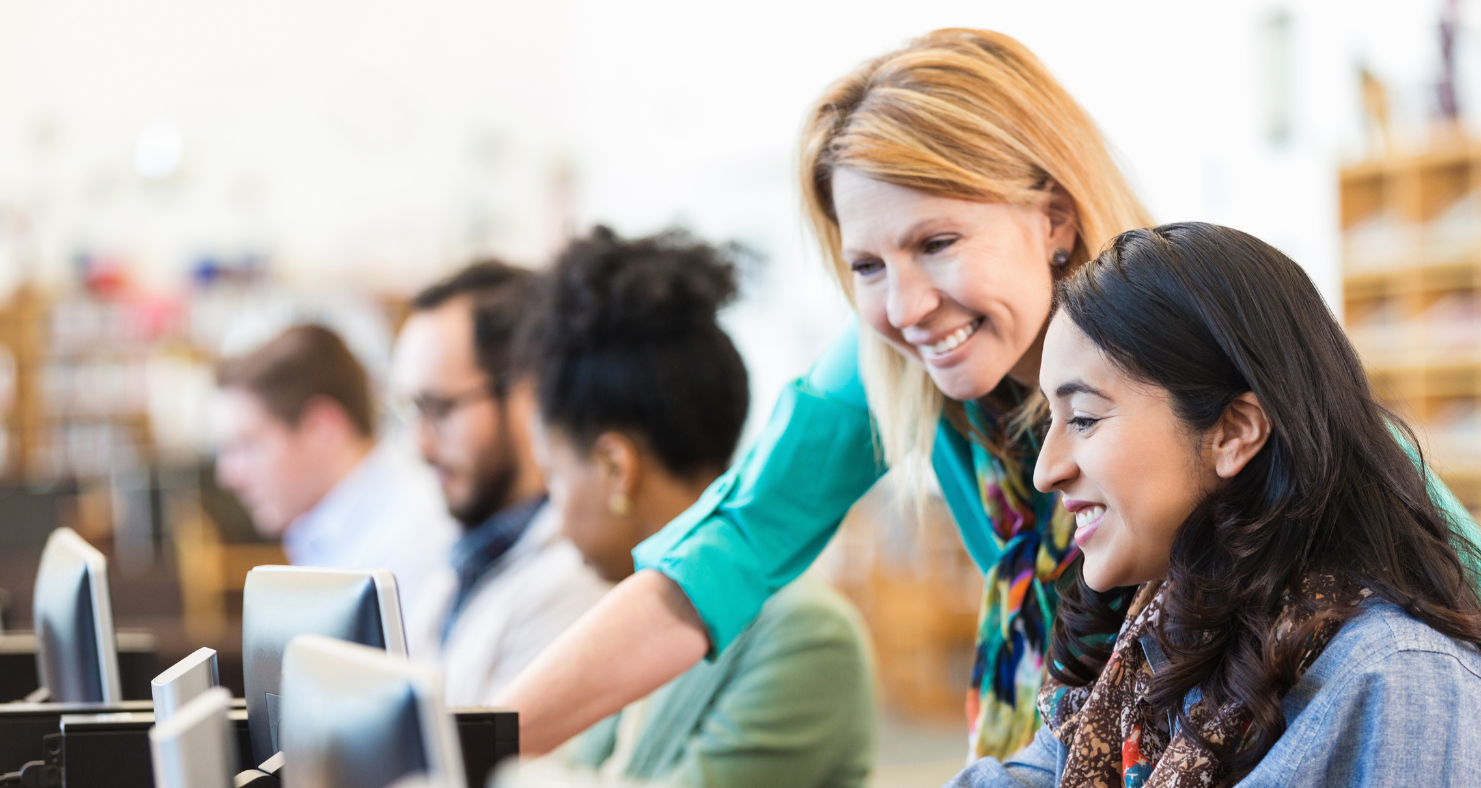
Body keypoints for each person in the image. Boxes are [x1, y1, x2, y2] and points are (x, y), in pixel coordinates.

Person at [495, 28, 1481, 760]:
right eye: (866, 264)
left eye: (937, 242)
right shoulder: (894, 366)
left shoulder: (1206, 353)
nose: (904, 303)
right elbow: (723, 553)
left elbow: (1424, 577)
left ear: (1052, 215)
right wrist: (473, 741)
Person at [949, 222, 1481, 787]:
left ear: (1234, 431)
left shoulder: (1397, 678)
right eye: (1049, 422)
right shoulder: (1154, 632)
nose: (1045, 471)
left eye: (1083, 418)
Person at [519, 227, 877, 787]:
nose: (550, 525)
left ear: (617, 467)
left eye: (554, 481)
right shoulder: (639, 625)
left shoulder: (806, 631)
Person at [391, 261, 609, 706]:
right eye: (410, 410)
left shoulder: (574, 581)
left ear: (529, 395)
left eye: (439, 409)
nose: (420, 445)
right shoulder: (466, 551)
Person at [213, 323, 458, 631]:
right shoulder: (324, 533)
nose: (227, 476)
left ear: (322, 428)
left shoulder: (411, 545)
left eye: (247, 446)